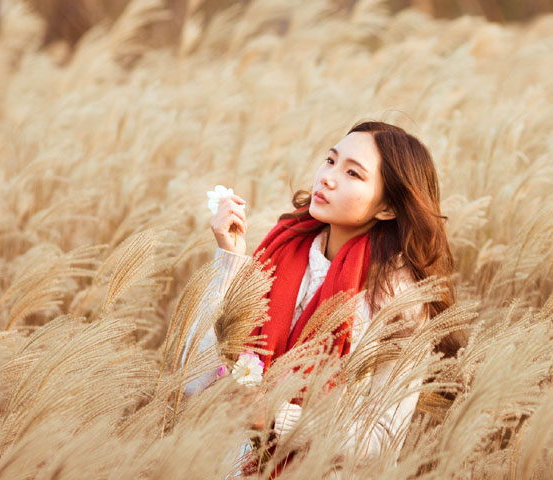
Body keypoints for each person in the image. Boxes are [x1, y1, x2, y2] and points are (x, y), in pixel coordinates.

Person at [182, 121, 458, 477]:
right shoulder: (277, 255)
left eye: (353, 174)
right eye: (330, 161)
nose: (328, 178)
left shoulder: (397, 301)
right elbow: (194, 379)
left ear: (388, 208)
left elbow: (383, 441)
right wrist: (230, 261)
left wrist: (277, 418)